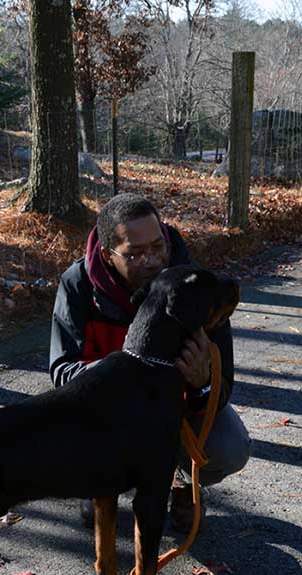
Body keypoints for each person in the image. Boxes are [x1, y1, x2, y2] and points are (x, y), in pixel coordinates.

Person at [49, 193, 250, 533]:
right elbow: (62, 371)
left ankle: (183, 480)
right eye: (135, 253)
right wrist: (118, 372)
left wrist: (202, 384)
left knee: (229, 447)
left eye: (159, 247)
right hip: (108, 414)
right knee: (89, 500)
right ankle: (103, 479)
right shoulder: (77, 284)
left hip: (175, 413)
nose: (153, 260)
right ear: (107, 255)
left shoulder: (198, 287)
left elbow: (224, 382)